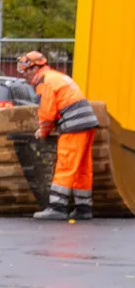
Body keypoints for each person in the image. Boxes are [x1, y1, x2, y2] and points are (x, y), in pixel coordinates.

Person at [18, 51, 99, 221]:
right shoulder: (56, 76)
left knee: (65, 165)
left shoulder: (45, 81)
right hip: (87, 123)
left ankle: (57, 207)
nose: (24, 74)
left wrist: (44, 131)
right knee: (82, 168)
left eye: (26, 70)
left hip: (74, 126)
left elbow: (47, 112)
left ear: (35, 68)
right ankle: (83, 208)